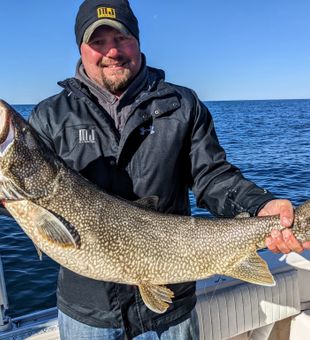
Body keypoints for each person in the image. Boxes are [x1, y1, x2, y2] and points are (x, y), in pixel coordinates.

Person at [26, 0, 310, 339]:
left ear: (138, 40)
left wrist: (258, 205)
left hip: (171, 307)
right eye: (98, 42)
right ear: (81, 48)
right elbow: (29, 191)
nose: (112, 51)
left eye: (121, 38)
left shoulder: (182, 104)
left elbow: (212, 176)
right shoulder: (49, 116)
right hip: (88, 312)